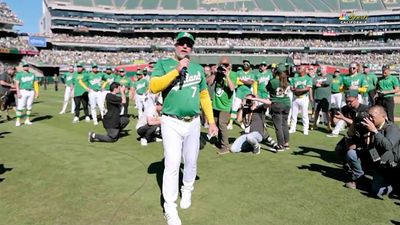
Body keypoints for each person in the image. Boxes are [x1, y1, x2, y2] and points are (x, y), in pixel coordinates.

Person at [149, 32, 218, 225]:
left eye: (189, 44)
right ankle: (170, 208)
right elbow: (154, 87)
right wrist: (176, 70)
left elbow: (204, 96)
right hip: (171, 120)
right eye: (182, 43)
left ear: (192, 48)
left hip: (194, 121)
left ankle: (187, 189)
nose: (185, 47)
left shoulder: (197, 68)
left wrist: (211, 122)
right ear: (175, 45)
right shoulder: (163, 64)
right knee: (171, 163)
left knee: (191, 161)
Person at [333, 90, 370, 189]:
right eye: (347, 101)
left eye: (351, 101)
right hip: (351, 135)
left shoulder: (365, 109)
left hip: (364, 136)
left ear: (357, 99)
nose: (348, 103)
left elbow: (357, 123)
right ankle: (349, 165)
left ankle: (358, 175)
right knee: (338, 150)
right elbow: (336, 119)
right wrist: (334, 116)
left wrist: (343, 118)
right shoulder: (346, 108)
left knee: (355, 153)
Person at [361, 105, 400, 197]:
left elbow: (388, 145)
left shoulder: (392, 128)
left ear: (383, 116)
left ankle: (393, 185)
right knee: (352, 154)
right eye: (368, 116)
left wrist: (375, 131)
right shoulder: (368, 126)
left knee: (378, 191)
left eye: (372, 117)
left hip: (392, 165)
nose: (369, 119)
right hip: (377, 163)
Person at [211, 56, 237, 154]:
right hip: (216, 104)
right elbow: (209, 83)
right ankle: (219, 142)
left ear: (229, 65)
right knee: (217, 124)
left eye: (226, 65)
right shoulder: (218, 74)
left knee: (222, 125)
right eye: (222, 64)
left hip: (225, 105)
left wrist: (227, 76)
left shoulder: (233, 74)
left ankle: (225, 146)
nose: (224, 66)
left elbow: (232, 88)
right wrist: (214, 73)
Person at [266, 70, 291, 150]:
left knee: (278, 126)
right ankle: (286, 143)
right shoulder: (287, 81)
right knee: (284, 124)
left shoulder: (273, 81)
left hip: (277, 104)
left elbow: (267, 88)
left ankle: (280, 145)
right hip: (287, 104)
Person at [227, 59, 256, 130]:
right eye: (244, 64)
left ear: (249, 65)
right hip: (239, 93)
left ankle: (244, 123)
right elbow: (236, 82)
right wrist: (245, 81)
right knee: (234, 108)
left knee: (246, 109)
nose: (245, 65)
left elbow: (250, 82)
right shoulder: (238, 72)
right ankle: (230, 123)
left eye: (247, 64)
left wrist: (242, 81)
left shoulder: (252, 74)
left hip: (247, 94)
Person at [289, 66, 312, 135]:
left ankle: (305, 129)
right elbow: (291, 86)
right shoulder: (295, 77)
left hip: (304, 98)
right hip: (295, 97)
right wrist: (292, 89)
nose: (298, 70)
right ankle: (293, 128)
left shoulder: (308, 78)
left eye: (300, 69)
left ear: (304, 70)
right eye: (298, 69)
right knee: (294, 114)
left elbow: (307, 88)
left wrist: (297, 90)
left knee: (304, 114)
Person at [311, 67, 332, 131]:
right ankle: (314, 124)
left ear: (325, 69)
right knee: (316, 111)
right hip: (317, 97)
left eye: (322, 68)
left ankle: (328, 125)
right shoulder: (316, 77)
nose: (321, 69)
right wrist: (320, 84)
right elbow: (314, 82)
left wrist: (320, 84)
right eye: (320, 68)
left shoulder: (329, 76)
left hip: (325, 97)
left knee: (326, 112)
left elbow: (327, 83)